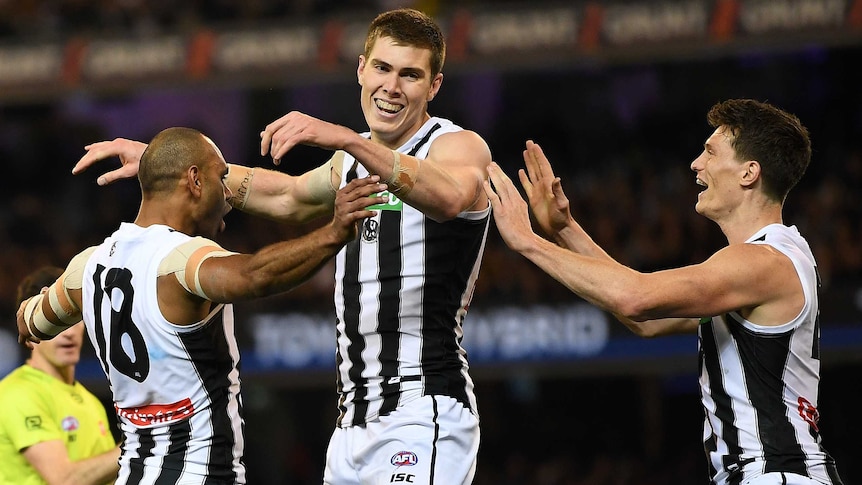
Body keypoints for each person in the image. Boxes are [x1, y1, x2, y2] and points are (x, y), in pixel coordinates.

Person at [72, 8, 491, 484]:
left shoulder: (456, 146)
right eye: (382, 68)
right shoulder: (350, 161)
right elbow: (288, 197)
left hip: (424, 408)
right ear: (361, 68)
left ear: (434, 86)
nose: (392, 87)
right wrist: (164, 164)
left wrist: (346, 140)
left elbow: (453, 198)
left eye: (410, 75)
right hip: (353, 422)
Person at [484, 98, 844, 485]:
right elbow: (646, 323)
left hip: (775, 475)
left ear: (748, 173)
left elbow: (634, 297)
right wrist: (563, 228)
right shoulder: (777, 256)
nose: (696, 164)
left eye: (710, 151)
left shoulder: (761, 263)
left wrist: (527, 241)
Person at [18, 127, 386, 484]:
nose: (228, 194)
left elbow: (31, 321)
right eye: (221, 177)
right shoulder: (182, 259)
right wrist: (333, 232)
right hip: (199, 474)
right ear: (194, 181)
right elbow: (255, 275)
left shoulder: (88, 266)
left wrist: (32, 313)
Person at [0, 266, 120, 485]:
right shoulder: (16, 394)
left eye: (75, 318)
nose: (68, 332)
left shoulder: (91, 402)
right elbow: (64, 480)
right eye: (54, 321)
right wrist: (138, 442)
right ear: (29, 326)